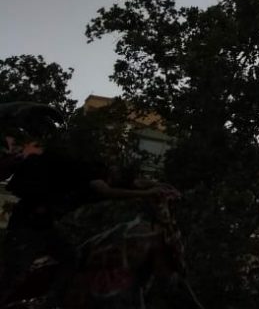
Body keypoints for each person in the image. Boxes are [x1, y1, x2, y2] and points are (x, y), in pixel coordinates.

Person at [0, 123, 178, 308]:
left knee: (70, 258)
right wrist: (147, 193)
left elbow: (132, 182)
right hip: (27, 227)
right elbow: (107, 190)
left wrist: (157, 186)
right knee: (15, 275)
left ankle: (50, 301)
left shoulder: (95, 169)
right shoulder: (86, 170)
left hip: (45, 226)